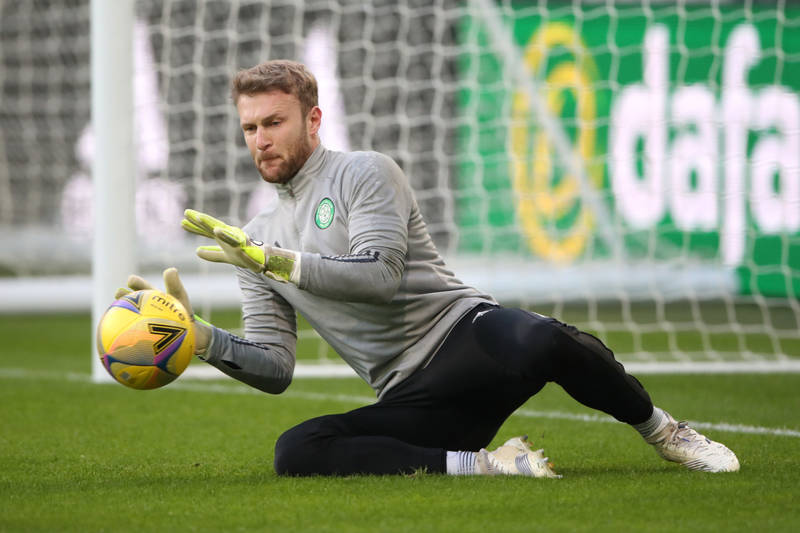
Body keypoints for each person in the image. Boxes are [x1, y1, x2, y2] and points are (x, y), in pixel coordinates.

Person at [118, 59, 739, 477]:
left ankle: (664, 432)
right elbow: (277, 368)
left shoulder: (364, 172)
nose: (260, 140)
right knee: (297, 451)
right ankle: (486, 465)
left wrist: (277, 261)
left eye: (274, 122)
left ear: (312, 119)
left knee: (542, 337)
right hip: (409, 391)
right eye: (250, 127)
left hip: (466, 335)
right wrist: (200, 339)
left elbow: (379, 278)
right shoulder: (248, 240)